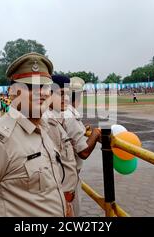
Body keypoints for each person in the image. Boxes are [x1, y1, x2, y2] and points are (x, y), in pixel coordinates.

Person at [0, 52, 66, 217]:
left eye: (45, 87)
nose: (41, 93)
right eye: (30, 86)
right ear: (13, 92)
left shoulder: (44, 129)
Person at [62, 76, 102, 216]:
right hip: (67, 179)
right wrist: (95, 133)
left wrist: (83, 131)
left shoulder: (63, 112)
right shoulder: (70, 115)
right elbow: (83, 153)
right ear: (79, 95)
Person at [42, 75, 78, 217]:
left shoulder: (57, 117)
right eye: (61, 94)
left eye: (68, 94)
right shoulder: (48, 122)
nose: (66, 99)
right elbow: (51, 168)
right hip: (59, 201)